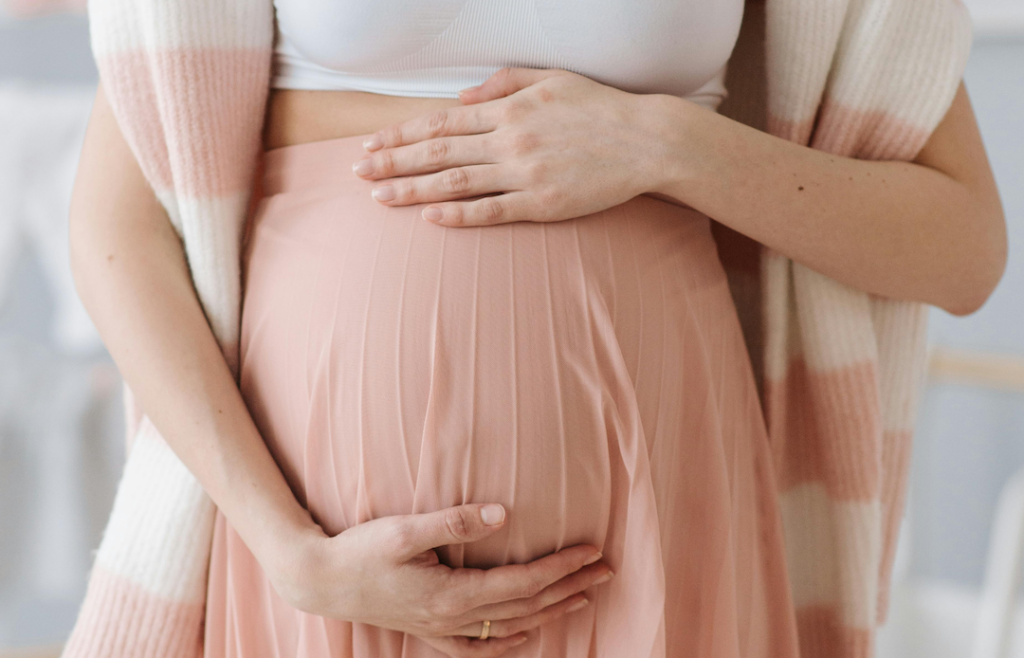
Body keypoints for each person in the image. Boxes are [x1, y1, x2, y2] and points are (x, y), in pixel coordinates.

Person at [66, 1, 1006, 657]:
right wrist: (289, 552)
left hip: (662, 527)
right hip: (322, 552)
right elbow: (120, 226)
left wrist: (669, 144)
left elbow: (964, 251)